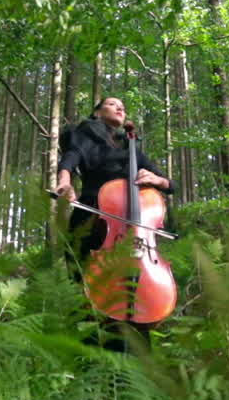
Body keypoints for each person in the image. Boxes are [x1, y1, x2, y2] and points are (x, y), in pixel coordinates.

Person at [54, 96, 173, 348]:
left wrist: (157, 180)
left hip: (134, 232)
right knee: (91, 295)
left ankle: (136, 363)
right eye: (111, 104)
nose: (120, 107)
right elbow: (71, 159)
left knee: (136, 296)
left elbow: (170, 184)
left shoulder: (130, 148)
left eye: (122, 106)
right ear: (97, 113)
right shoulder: (87, 136)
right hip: (92, 220)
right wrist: (65, 181)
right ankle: (91, 355)